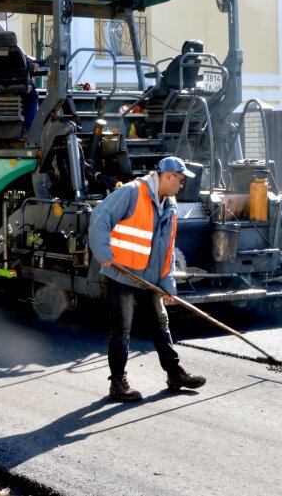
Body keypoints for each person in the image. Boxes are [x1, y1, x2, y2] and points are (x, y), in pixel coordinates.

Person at [89, 156, 206, 402]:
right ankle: (118, 384)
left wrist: (167, 284)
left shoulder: (170, 206)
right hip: (123, 274)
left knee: (161, 325)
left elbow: (167, 250)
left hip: (150, 278)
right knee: (122, 331)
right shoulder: (132, 192)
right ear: (167, 176)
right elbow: (100, 216)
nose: (181, 185)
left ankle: (175, 374)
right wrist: (103, 253)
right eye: (180, 180)